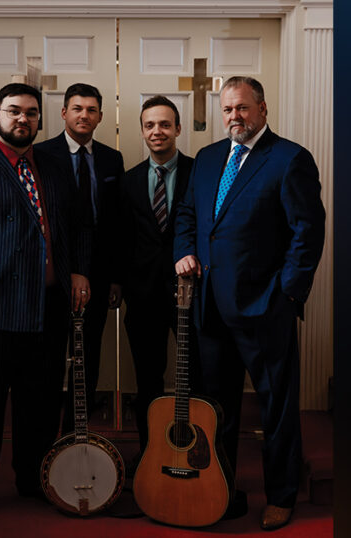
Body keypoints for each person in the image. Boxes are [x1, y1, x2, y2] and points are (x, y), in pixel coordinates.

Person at [173, 76, 325, 531]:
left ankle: (281, 495)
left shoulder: (289, 159)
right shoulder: (207, 158)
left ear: (262, 108)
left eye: (241, 108)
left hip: (265, 309)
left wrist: (288, 294)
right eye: (227, 110)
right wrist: (184, 250)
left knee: (276, 407)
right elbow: (188, 215)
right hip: (209, 309)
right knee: (216, 408)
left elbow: (307, 232)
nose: (233, 117)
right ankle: (221, 488)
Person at [0, 82, 92, 530]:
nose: (22, 119)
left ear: (41, 119)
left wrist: (79, 269)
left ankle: (33, 479)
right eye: (13, 111)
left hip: (49, 308)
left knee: (41, 404)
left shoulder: (54, 166)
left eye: (30, 112)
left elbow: (79, 224)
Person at [114, 96, 200, 469]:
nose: (157, 131)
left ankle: (196, 450)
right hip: (143, 294)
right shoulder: (128, 180)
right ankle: (150, 450)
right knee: (148, 378)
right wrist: (117, 282)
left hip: (193, 295)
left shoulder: (202, 173)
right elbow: (118, 237)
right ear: (143, 130)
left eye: (165, 124)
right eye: (150, 125)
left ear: (178, 129)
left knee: (196, 375)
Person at [35, 83, 125, 433]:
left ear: (100, 116)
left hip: (100, 277)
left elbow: (115, 221)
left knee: (87, 362)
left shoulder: (111, 158)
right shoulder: (41, 155)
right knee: (49, 362)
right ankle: (45, 444)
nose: (84, 115)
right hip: (53, 276)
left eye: (91, 109)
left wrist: (116, 276)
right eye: (77, 108)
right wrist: (70, 269)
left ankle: (76, 438)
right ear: (64, 113)